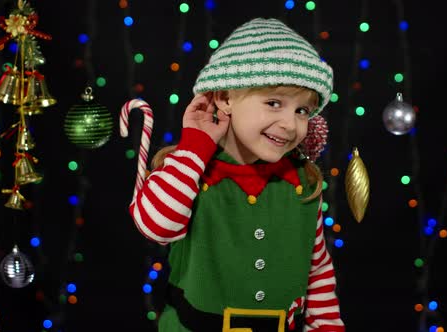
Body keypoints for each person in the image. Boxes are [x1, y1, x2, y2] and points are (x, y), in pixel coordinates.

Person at [129, 17, 345, 331]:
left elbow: (318, 270)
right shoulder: (188, 167)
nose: (291, 123)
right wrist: (195, 144)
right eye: (274, 103)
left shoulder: (303, 181)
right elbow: (156, 227)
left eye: (302, 111)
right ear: (225, 98)